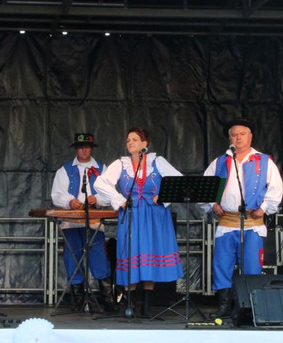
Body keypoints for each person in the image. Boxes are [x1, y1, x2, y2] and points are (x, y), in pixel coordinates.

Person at [94, 126, 184, 317]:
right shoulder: (121, 164)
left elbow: (179, 181)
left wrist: (163, 195)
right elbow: (100, 183)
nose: (130, 143)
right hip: (132, 214)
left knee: (150, 257)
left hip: (155, 216)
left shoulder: (157, 162)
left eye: (134, 139)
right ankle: (131, 304)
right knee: (131, 255)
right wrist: (119, 199)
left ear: (145, 143)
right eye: (128, 140)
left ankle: (146, 305)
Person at [200, 119, 283, 317]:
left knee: (252, 266)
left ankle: (249, 307)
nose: (238, 138)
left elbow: (275, 188)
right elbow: (205, 187)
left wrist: (264, 208)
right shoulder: (220, 162)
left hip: (251, 223)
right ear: (230, 138)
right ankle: (224, 306)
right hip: (227, 222)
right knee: (222, 265)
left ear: (250, 137)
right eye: (234, 135)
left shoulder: (263, 161)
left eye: (242, 134)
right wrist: (213, 203)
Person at [51, 133, 114, 312]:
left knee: (99, 256)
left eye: (87, 147)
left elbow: (110, 193)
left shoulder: (101, 168)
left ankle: (108, 299)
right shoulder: (64, 170)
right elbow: (57, 194)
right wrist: (69, 201)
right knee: (72, 258)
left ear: (91, 148)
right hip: (71, 222)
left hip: (93, 221)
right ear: (76, 149)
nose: (84, 150)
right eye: (80, 147)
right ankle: (78, 300)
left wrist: (97, 199)